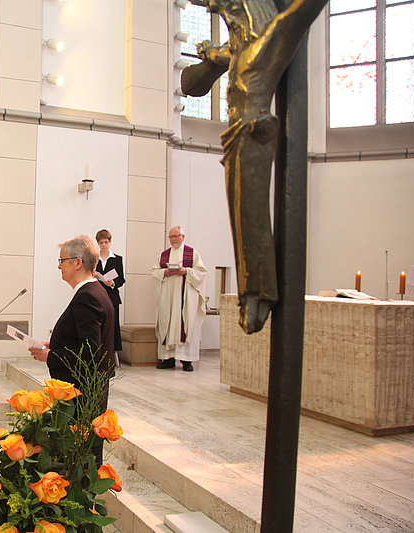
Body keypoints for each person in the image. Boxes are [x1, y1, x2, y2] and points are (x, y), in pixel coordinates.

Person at [181, 0, 328, 333]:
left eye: (226, 12)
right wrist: (211, 55)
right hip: (236, 136)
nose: (223, 18)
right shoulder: (236, 48)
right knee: (240, 215)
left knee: (251, 212)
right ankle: (254, 290)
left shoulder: (269, 42)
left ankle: (258, 293)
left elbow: (300, 13)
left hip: (254, 132)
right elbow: (190, 85)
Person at [29, 235, 115, 464]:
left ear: (78, 263)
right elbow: (85, 341)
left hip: (82, 391)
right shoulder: (95, 291)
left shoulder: (88, 296)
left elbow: (90, 352)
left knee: (80, 455)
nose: (59, 266)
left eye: (62, 260)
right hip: (86, 387)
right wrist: (54, 345)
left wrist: (50, 356)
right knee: (83, 454)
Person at [150, 226, 207, 372]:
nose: (173, 239)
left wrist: (186, 271)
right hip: (168, 298)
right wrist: (165, 272)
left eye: (176, 236)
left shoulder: (192, 253)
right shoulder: (164, 255)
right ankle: (168, 359)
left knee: (186, 323)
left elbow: (201, 272)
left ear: (183, 236)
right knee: (167, 323)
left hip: (185, 297)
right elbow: (154, 271)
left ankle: (187, 361)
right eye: (171, 237)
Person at [93, 229, 124, 354]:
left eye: (106, 242)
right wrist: (95, 277)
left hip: (112, 297)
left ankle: (113, 352)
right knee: (98, 324)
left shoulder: (117, 259)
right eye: (101, 243)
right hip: (97, 296)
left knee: (113, 325)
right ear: (98, 243)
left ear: (110, 242)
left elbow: (121, 279)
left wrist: (113, 283)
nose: (104, 245)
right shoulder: (94, 259)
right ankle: (98, 351)